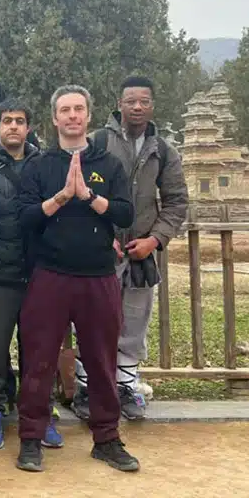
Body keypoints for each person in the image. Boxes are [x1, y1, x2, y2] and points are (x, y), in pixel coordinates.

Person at [16, 85, 137, 474]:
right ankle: (31, 438)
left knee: (102, 362)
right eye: (64, 110)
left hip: (97, 276)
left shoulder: (109, 163)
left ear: (88, 115)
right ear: (54, 119)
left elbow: (124, 214)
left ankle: (107, 438)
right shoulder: (39, 165)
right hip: (50, 275)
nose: (71, 116)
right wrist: (63, 197)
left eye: (78, 109)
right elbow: (25, 218)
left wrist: (88, 196)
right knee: (38, 360)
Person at [73, 77, 188, 421]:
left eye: (144, 102)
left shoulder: (163, 150)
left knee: (134, 322)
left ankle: (124, 388)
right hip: (99, 251)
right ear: (119, 104)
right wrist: (100, 235)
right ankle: (84, 389)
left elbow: (177, 202)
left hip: (142, 251)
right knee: (91, 320)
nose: (137, 107)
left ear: (152, 105)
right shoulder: (97, 142)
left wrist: (154, 239)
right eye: (131, 101)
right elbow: (78, 192)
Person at [0, 99, 62, 451]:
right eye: (6, 121)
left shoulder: (45, 166)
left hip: (40, 272)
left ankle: (40, 414)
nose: (12, 126)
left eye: (19, 121)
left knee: (38, 350)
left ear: (29, 127)